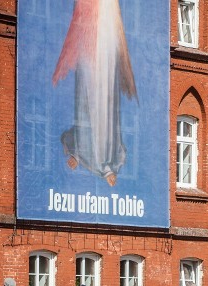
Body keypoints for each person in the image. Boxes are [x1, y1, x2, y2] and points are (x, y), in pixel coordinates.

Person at [52, 0, 137, 186]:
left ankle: (105, 162)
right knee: (85, 95)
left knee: (106, 98)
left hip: (107, 35)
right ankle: (81, 150)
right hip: (87, 33)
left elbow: (115, 12)